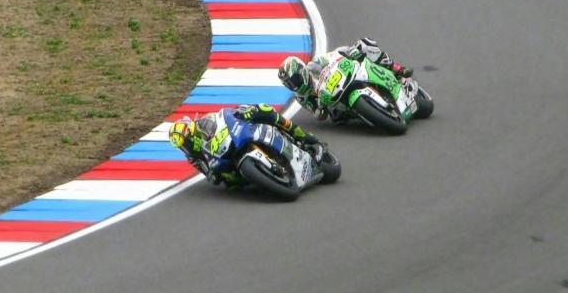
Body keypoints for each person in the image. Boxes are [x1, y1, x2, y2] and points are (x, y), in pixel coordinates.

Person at [168, 103, 320, 186]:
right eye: (182, 146)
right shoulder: (192, 157)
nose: (185, 147)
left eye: (185, 141)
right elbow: (207, 173)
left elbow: (221, 117)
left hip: (234, 137)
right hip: (227, 160)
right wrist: (213, 175)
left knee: (263, 110)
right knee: (229, 181)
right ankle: (262, 179)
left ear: (191, 132)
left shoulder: (203, 124)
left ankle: (300, 134)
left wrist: (241, 113)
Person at [278, 37, 412, 122]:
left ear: (302, 69)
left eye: (294, 79)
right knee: (337, 117)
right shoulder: (301, 97)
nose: (294, 85)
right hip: (335, 102)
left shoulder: (314, 65)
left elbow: (334, 55)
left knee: (364, 44)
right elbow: (319, 115)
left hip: (344, 77)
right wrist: (320, 109)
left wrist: (349, 52)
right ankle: (365, 112)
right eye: (290, 84)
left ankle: (397, 68)